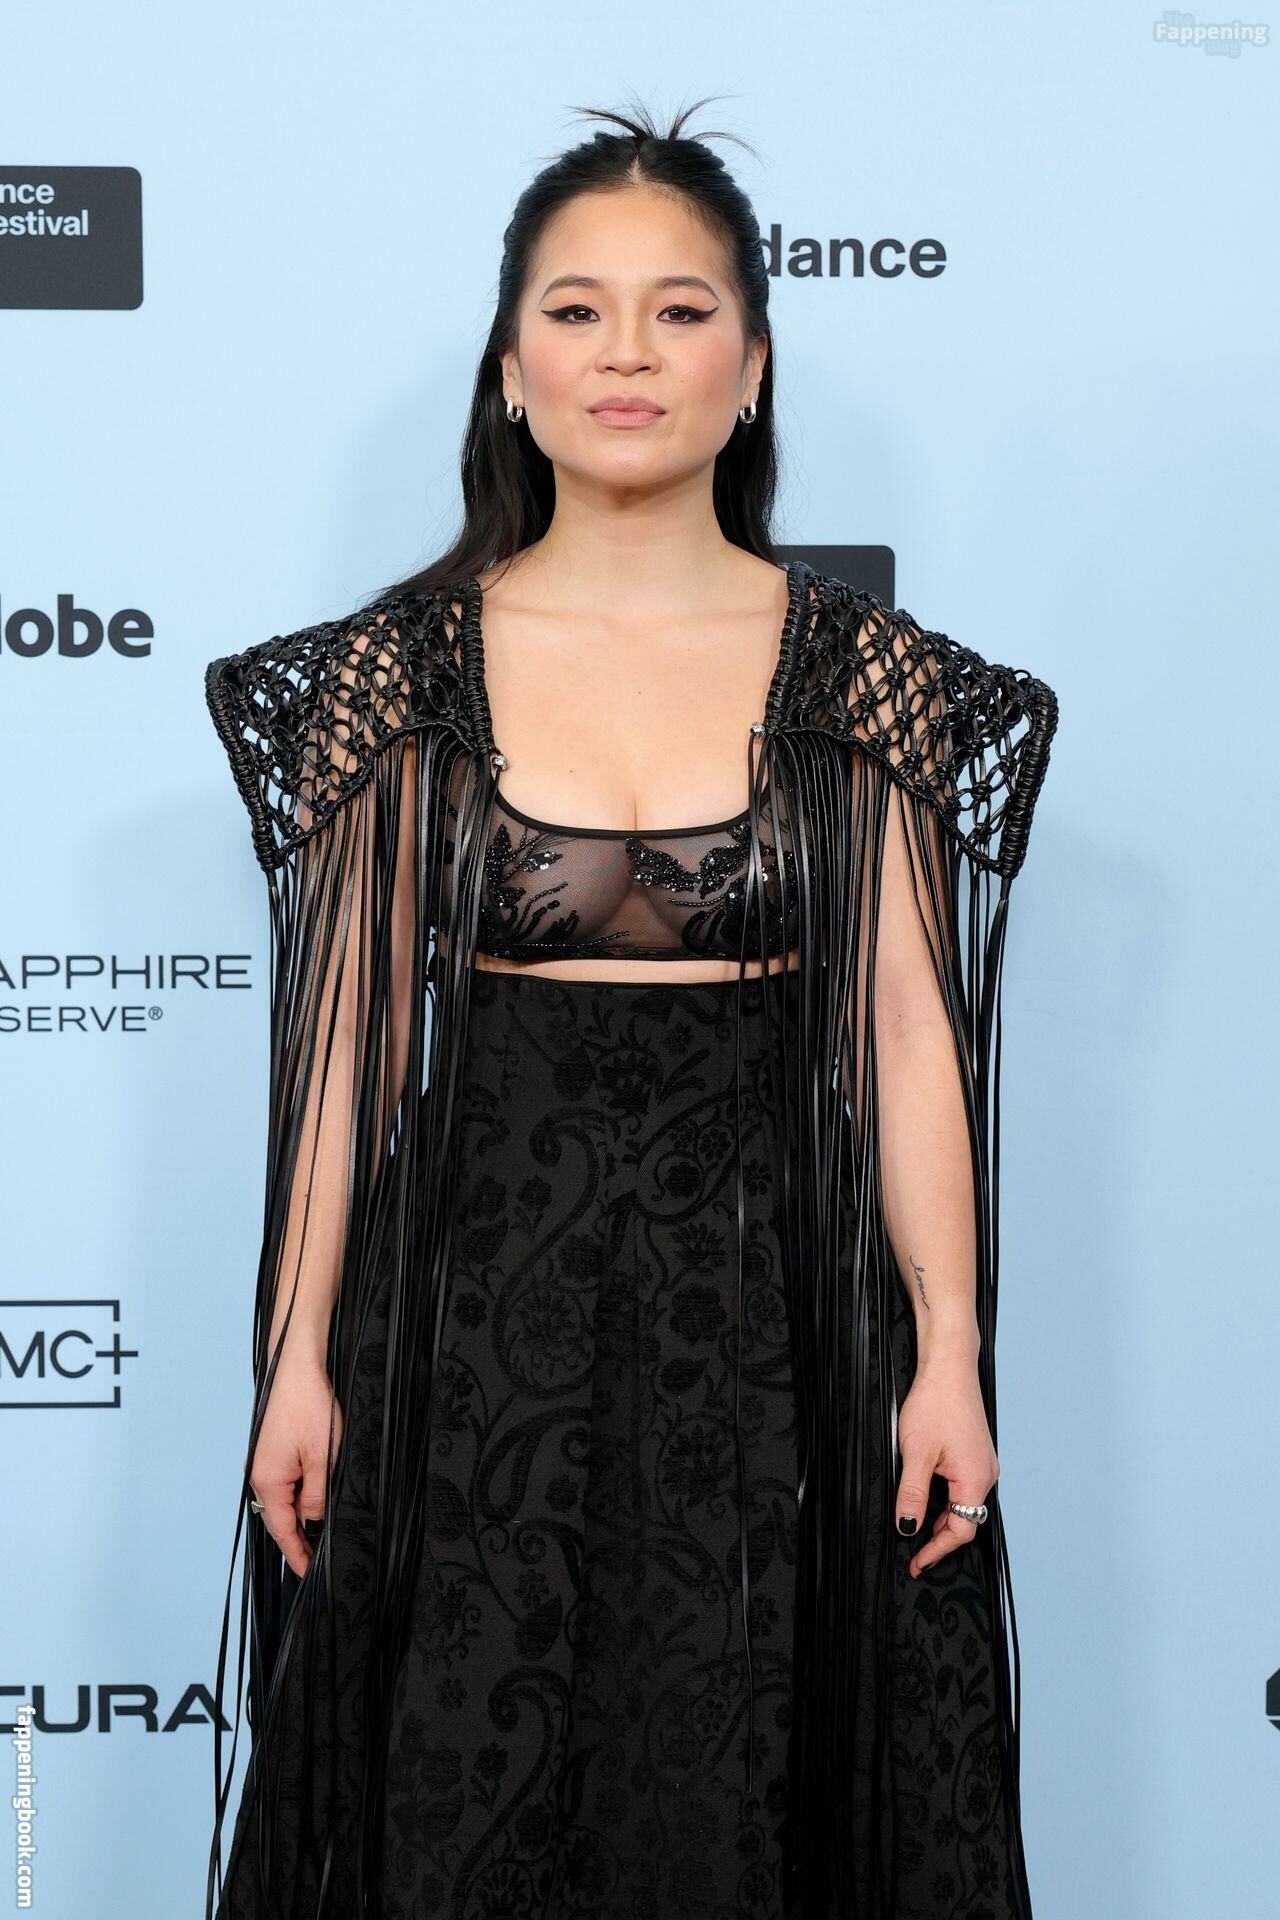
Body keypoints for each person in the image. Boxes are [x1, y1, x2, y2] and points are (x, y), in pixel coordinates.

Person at [203, 95, 1058, 1920]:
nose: (627, 353)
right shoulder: (395, 673)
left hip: (773, 1308)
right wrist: (296, 1360)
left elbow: (913, 1033)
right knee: (470, 1773)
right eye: (577, 309)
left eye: (681, 310)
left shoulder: (872, 677)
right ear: (511, 367)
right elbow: (342, 1055)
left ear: (752, 367)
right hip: (470, 1315)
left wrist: (949, 1353)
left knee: (742, 1769)